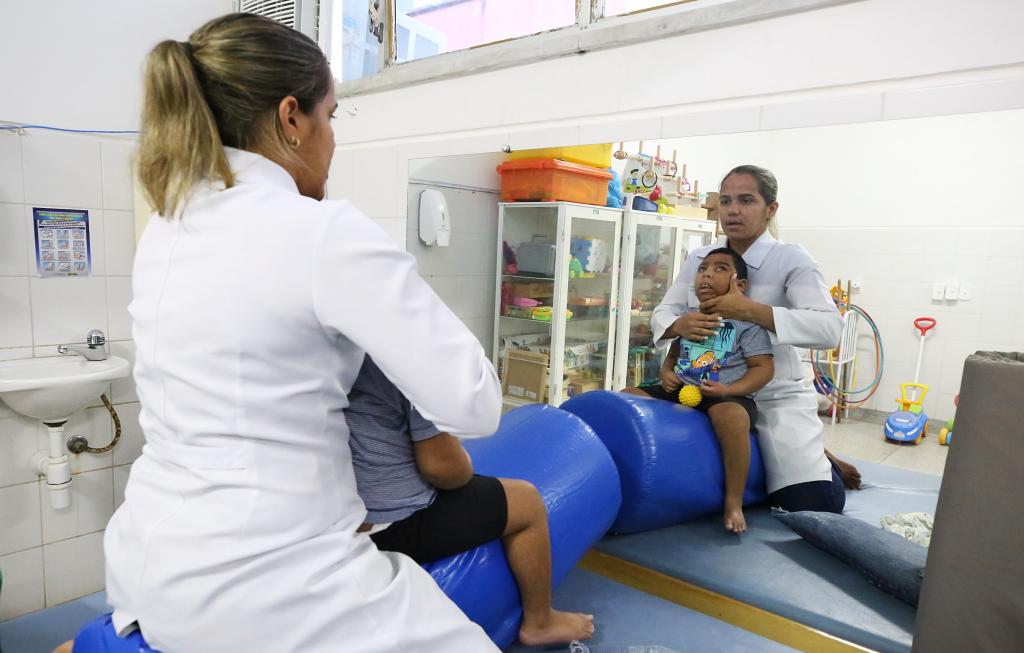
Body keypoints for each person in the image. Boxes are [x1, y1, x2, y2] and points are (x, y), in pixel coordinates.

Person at [97, 14, 503, 653]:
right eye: (331, 116)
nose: (332, 140)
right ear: (292, 118)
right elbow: (474, 404)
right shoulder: (321, 231)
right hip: (266, 583)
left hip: (146, 563)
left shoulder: (167, 225)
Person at [651, 165, 861, 515]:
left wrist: (752, 311)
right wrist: (679, 324)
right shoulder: (700, 258)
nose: (733, 210)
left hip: (773, 395)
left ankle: (823, 461)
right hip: (705, 388)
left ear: (770, 209)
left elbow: (830, 329)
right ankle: (798, 456)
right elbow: (664, 311)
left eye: (746, 200)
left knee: (813, 504)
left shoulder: (790, 259)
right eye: (726, 201)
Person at [346, 356, 595, 645]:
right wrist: (461, 461)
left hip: (329, 518)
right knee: (527, 501)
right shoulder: (404, 362)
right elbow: (442, 469)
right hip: (388, 525)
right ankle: (540, 621)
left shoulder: (325, 355)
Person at [626, 248, 774, 533]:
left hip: (725, 395)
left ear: (740, 284)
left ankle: (733, 501)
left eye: (720, 269)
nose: (706, 274)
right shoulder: (690, 318)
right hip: (683, 389)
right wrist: (667, 373)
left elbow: (763, 368)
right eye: (703, 268)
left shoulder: (748, 326)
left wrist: (729, 389)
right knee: (629, 394)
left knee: (732, 418)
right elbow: (674, 353)